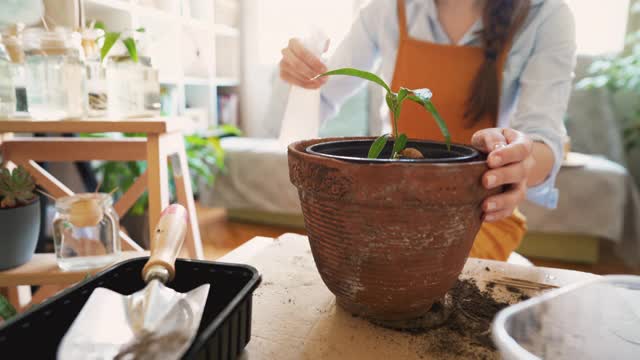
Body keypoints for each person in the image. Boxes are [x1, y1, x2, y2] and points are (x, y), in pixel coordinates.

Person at [278, 0, 576, 261]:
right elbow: (323, 91)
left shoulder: (545, 15)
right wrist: (303, 77)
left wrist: (517, 158)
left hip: (478, 214)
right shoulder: (386, 9)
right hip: (386, 203)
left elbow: (541, 135)